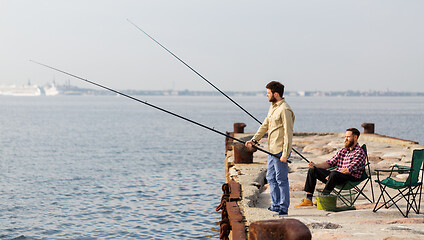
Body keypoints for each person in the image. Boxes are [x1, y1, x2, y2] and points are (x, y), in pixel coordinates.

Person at [245, 81, 295, 216]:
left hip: (280, 151)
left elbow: (288, 134)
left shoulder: (285, 109)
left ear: (276, 94)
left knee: (281, 179)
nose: (266, 96)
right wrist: (255, 139)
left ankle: (283, 207)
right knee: (271, 177)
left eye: (268, 93)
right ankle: (276, 204)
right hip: (271, 150)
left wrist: (285, 153)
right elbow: (265, 125)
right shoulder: (273, 107)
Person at [295, 128, 366, 207]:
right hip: (336, 176)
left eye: (348, 137)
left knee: (334, 174)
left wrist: (333, 175)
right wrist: (315, 165)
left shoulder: (359, 152)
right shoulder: (343, 151)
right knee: (313, 170)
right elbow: (330, 163)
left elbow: (349, 170)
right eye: (345, 137)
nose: (346, 139)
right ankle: (308, 199)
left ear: (355, 137)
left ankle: (323, 197)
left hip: (350, 178)